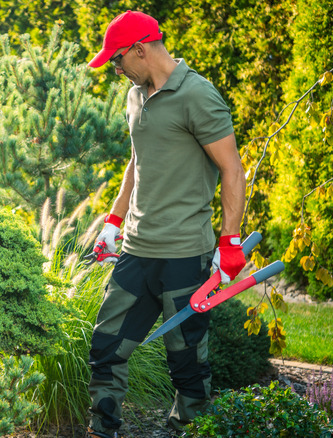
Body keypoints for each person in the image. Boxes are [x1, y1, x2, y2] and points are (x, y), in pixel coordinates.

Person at [84, 10, 247, 438]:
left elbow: (231, 169)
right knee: (106, 349)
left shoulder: (198, 95)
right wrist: (113, 220)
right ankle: (102, 431)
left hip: (183, 255)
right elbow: (138, 160)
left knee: (187, 363)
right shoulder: (136, 95)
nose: (116, 70)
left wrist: (229, 243)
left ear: (140, 49)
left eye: (118, 60)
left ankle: (188, 432)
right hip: (136, 251)